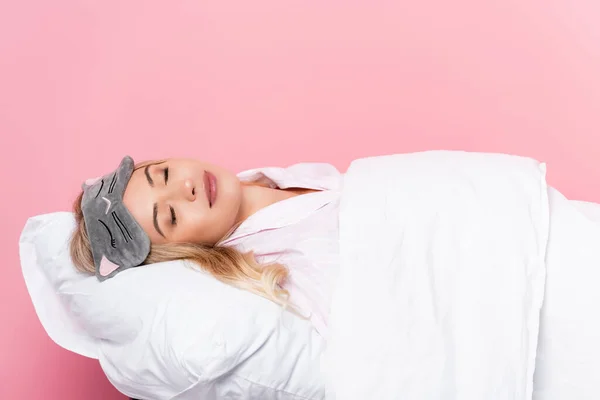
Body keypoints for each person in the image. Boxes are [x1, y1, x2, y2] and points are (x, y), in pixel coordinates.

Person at [69, 155, 342, 336]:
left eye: (164, 174)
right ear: (186, 252)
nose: (187, 187)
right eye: (171, 216)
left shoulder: (271, 178)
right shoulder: (294, 270)